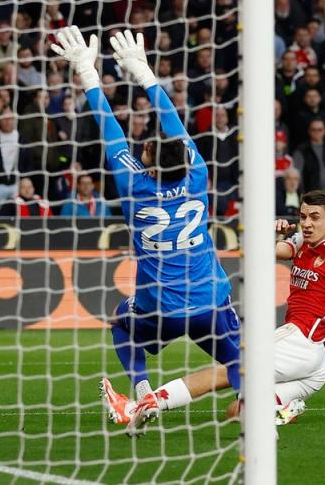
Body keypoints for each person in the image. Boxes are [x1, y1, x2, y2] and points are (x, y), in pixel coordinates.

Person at [51, 27, 239, 436]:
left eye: (146, 148)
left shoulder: (134, 184)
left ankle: (141, 392)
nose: (141, 147)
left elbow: (109, 129)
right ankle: (262, 413)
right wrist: (144, 74)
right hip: (212, 298)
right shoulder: (198, 173)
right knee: (240, 362)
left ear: (150, 162)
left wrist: (87, 72)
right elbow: (174, 125)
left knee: (121, 323)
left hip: (161, 309)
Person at [118, 190, 325, 428]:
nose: (307, 224)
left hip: (304, 343)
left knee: (228, 370)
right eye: (303, 217)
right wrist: (272, 231)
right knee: (237, 412)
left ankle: (144, 405)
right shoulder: (301, 243)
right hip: (314, 362)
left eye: (315, 217)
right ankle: (287, 408)